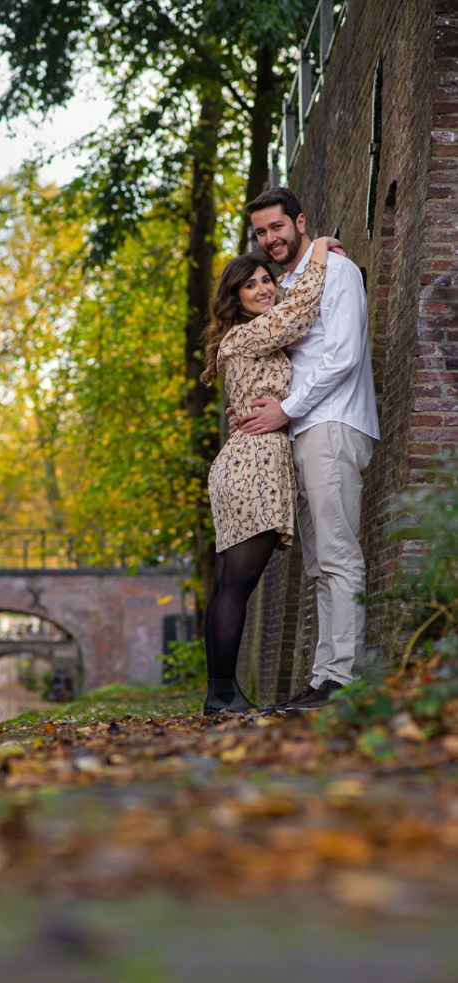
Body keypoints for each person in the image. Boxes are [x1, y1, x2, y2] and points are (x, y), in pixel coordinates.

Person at [241, 186, 380, 710]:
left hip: (333, 422)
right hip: (305, 428)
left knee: (340, 555)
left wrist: (287, 409)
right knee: (322, 562)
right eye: (261, 232)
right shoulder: (294, 285)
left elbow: (343, 355)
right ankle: (324, 677)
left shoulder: (337, 274)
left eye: (278, 227)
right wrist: (258, 406)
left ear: (300, 222)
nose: (270, 238)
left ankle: (343, 681)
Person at [201, 235, 343, 715]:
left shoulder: (242, 340)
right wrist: (319, 247)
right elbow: (300, 311)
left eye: (266, 280)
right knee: (235, 587)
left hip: (245, 459)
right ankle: (221, 695)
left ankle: (221, 692)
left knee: (227, 586)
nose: (262, 290)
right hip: (253, 465)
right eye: (250, 286)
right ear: (234, 299)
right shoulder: (248, 334)